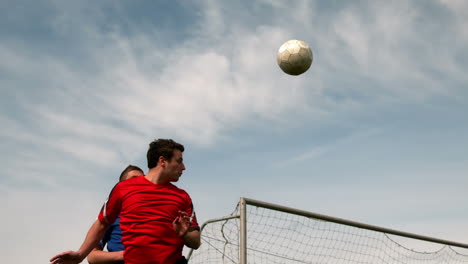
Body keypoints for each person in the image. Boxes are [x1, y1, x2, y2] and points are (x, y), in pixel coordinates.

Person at [50, 139, 201, 264]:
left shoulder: (183, 197)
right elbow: (102, 223)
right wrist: (81, 254)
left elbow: (195, 242)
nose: (184, 167)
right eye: (179, 161)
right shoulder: (123, 189)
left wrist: (184, 234)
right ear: (162, 161)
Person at [87, 165, 144, 264]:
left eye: (143, 179)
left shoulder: (157, 212)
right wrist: (125, 255)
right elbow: (92, 256)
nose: (139, 182)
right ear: (122, 186)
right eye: (134, 179)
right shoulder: (111, 216)